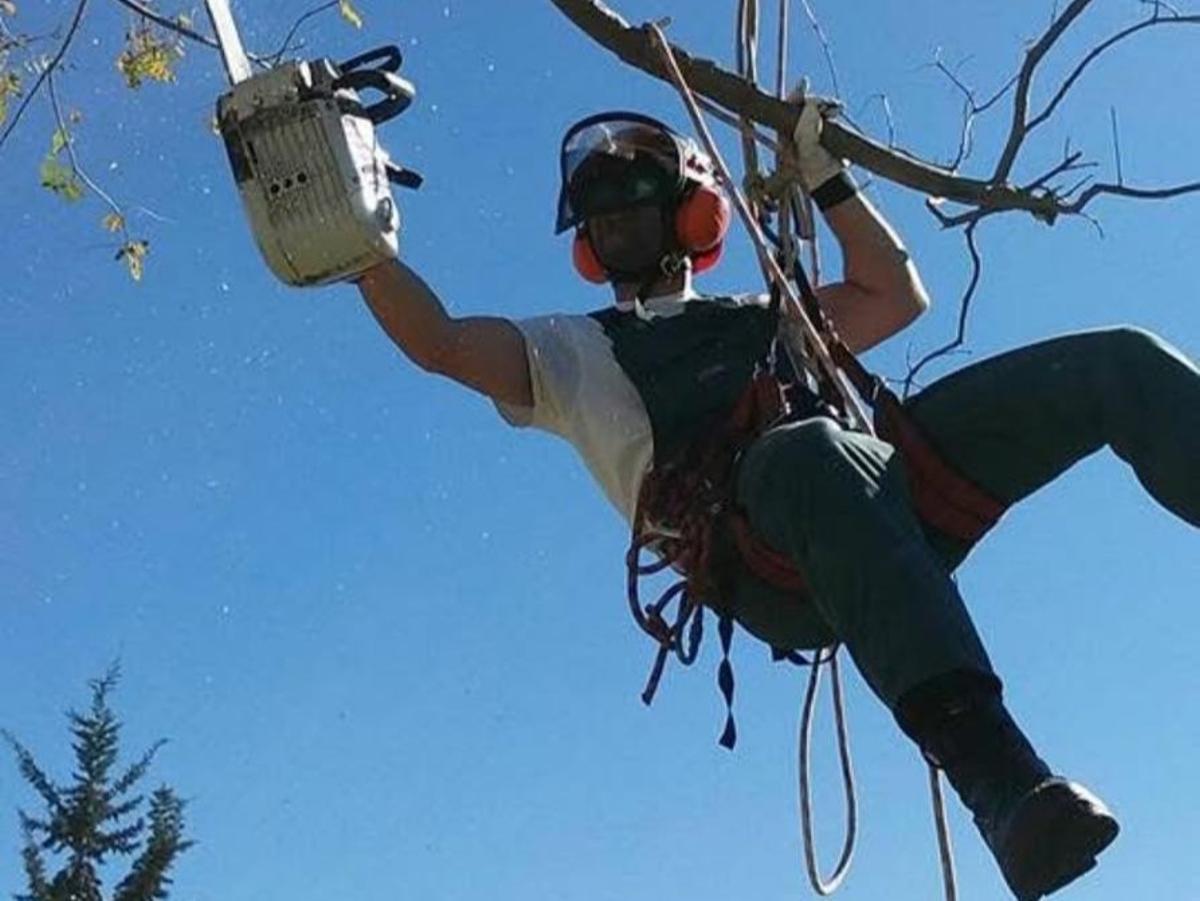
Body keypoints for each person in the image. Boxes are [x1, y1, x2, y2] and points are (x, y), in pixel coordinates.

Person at [354, 102, 1200, 901]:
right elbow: (443, 342)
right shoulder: (572, 352)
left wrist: (827, 178)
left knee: (1115, 363)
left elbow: (894, 295)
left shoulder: (769, 314)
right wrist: (358, 240)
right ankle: (1003, 783)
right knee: (809, 451)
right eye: (596, 216)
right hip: (767, 561)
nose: (609, 221)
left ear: (692, 216)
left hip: (876, 501)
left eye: (630, 202)